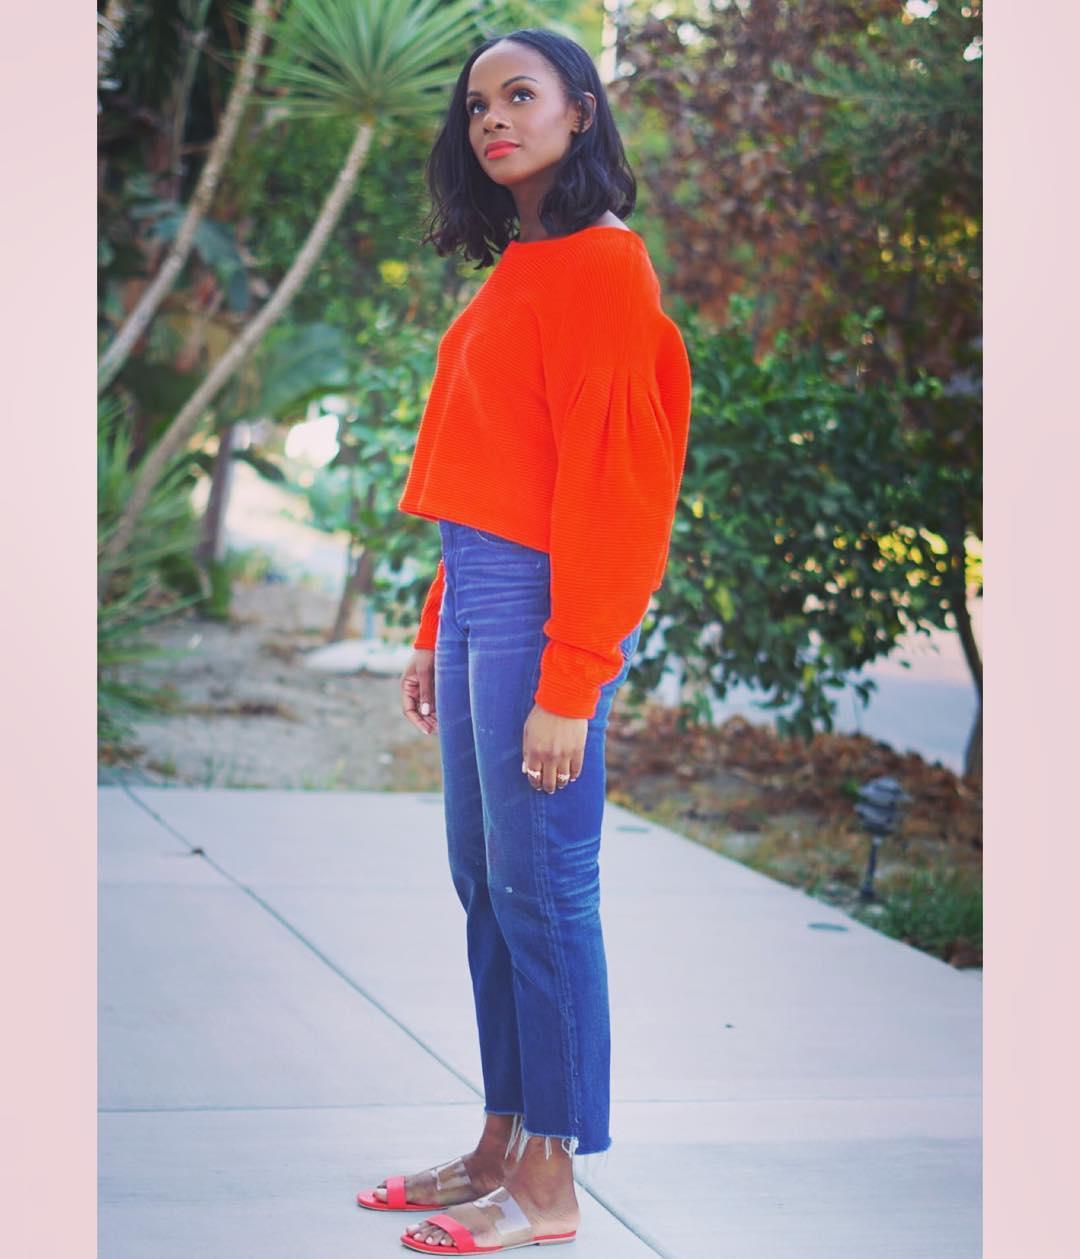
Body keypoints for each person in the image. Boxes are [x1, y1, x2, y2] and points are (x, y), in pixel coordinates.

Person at [355, 26, 692, 1255]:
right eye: (476, 105)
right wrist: (434, 624)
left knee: (544, 890)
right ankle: (501, 1139)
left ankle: (550, 1185)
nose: (492, 117)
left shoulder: (605, 267)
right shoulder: (522, 265)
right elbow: (493, 472)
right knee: (486, 884)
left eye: (520, 95)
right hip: (479, 595)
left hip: (547, 606)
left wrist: (573, 675)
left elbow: (616, 492)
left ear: (581, 110)